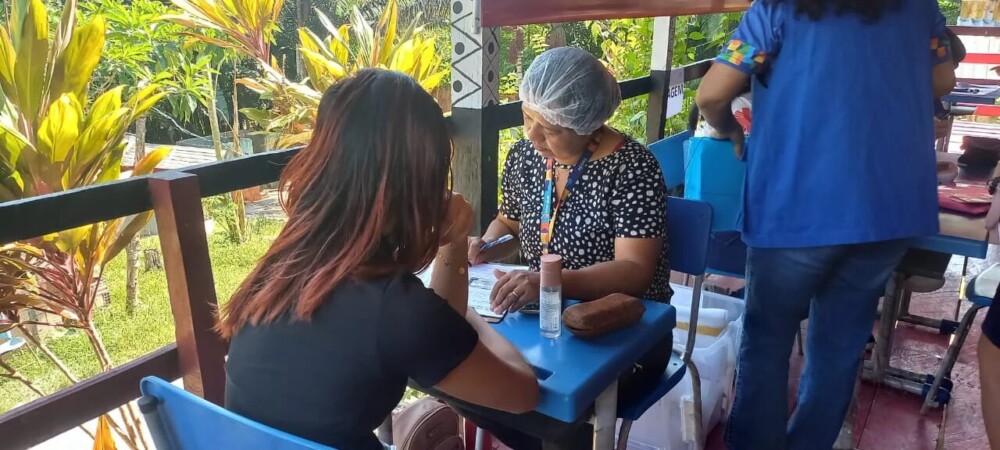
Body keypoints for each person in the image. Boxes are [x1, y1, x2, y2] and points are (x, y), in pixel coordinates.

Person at [219, 69, 539, 450]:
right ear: (418, 183)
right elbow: (523, 393)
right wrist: (475, 320)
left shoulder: (283, 265)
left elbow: (440, 346)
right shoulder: (395, 308)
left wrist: (453, 245)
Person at [695, 0, 956, 448]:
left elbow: (712, 95)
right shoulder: (917, 8)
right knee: (839, 348)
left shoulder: (778, 9)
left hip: (796, 204)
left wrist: (730, 129)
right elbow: (942, 79)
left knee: (768, 341)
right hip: (886, 209)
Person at [455, 46, 672, 450]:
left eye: (549, 129)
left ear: (587, 124)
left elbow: (635, 271)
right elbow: (511, 223)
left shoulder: (633, 169)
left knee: (550, 410)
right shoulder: (525, 156)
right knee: (466, 377)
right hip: (539, 320)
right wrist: (486, 244)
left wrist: (549, 281)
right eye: (527, 119)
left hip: (622, 327)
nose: (531, 136)